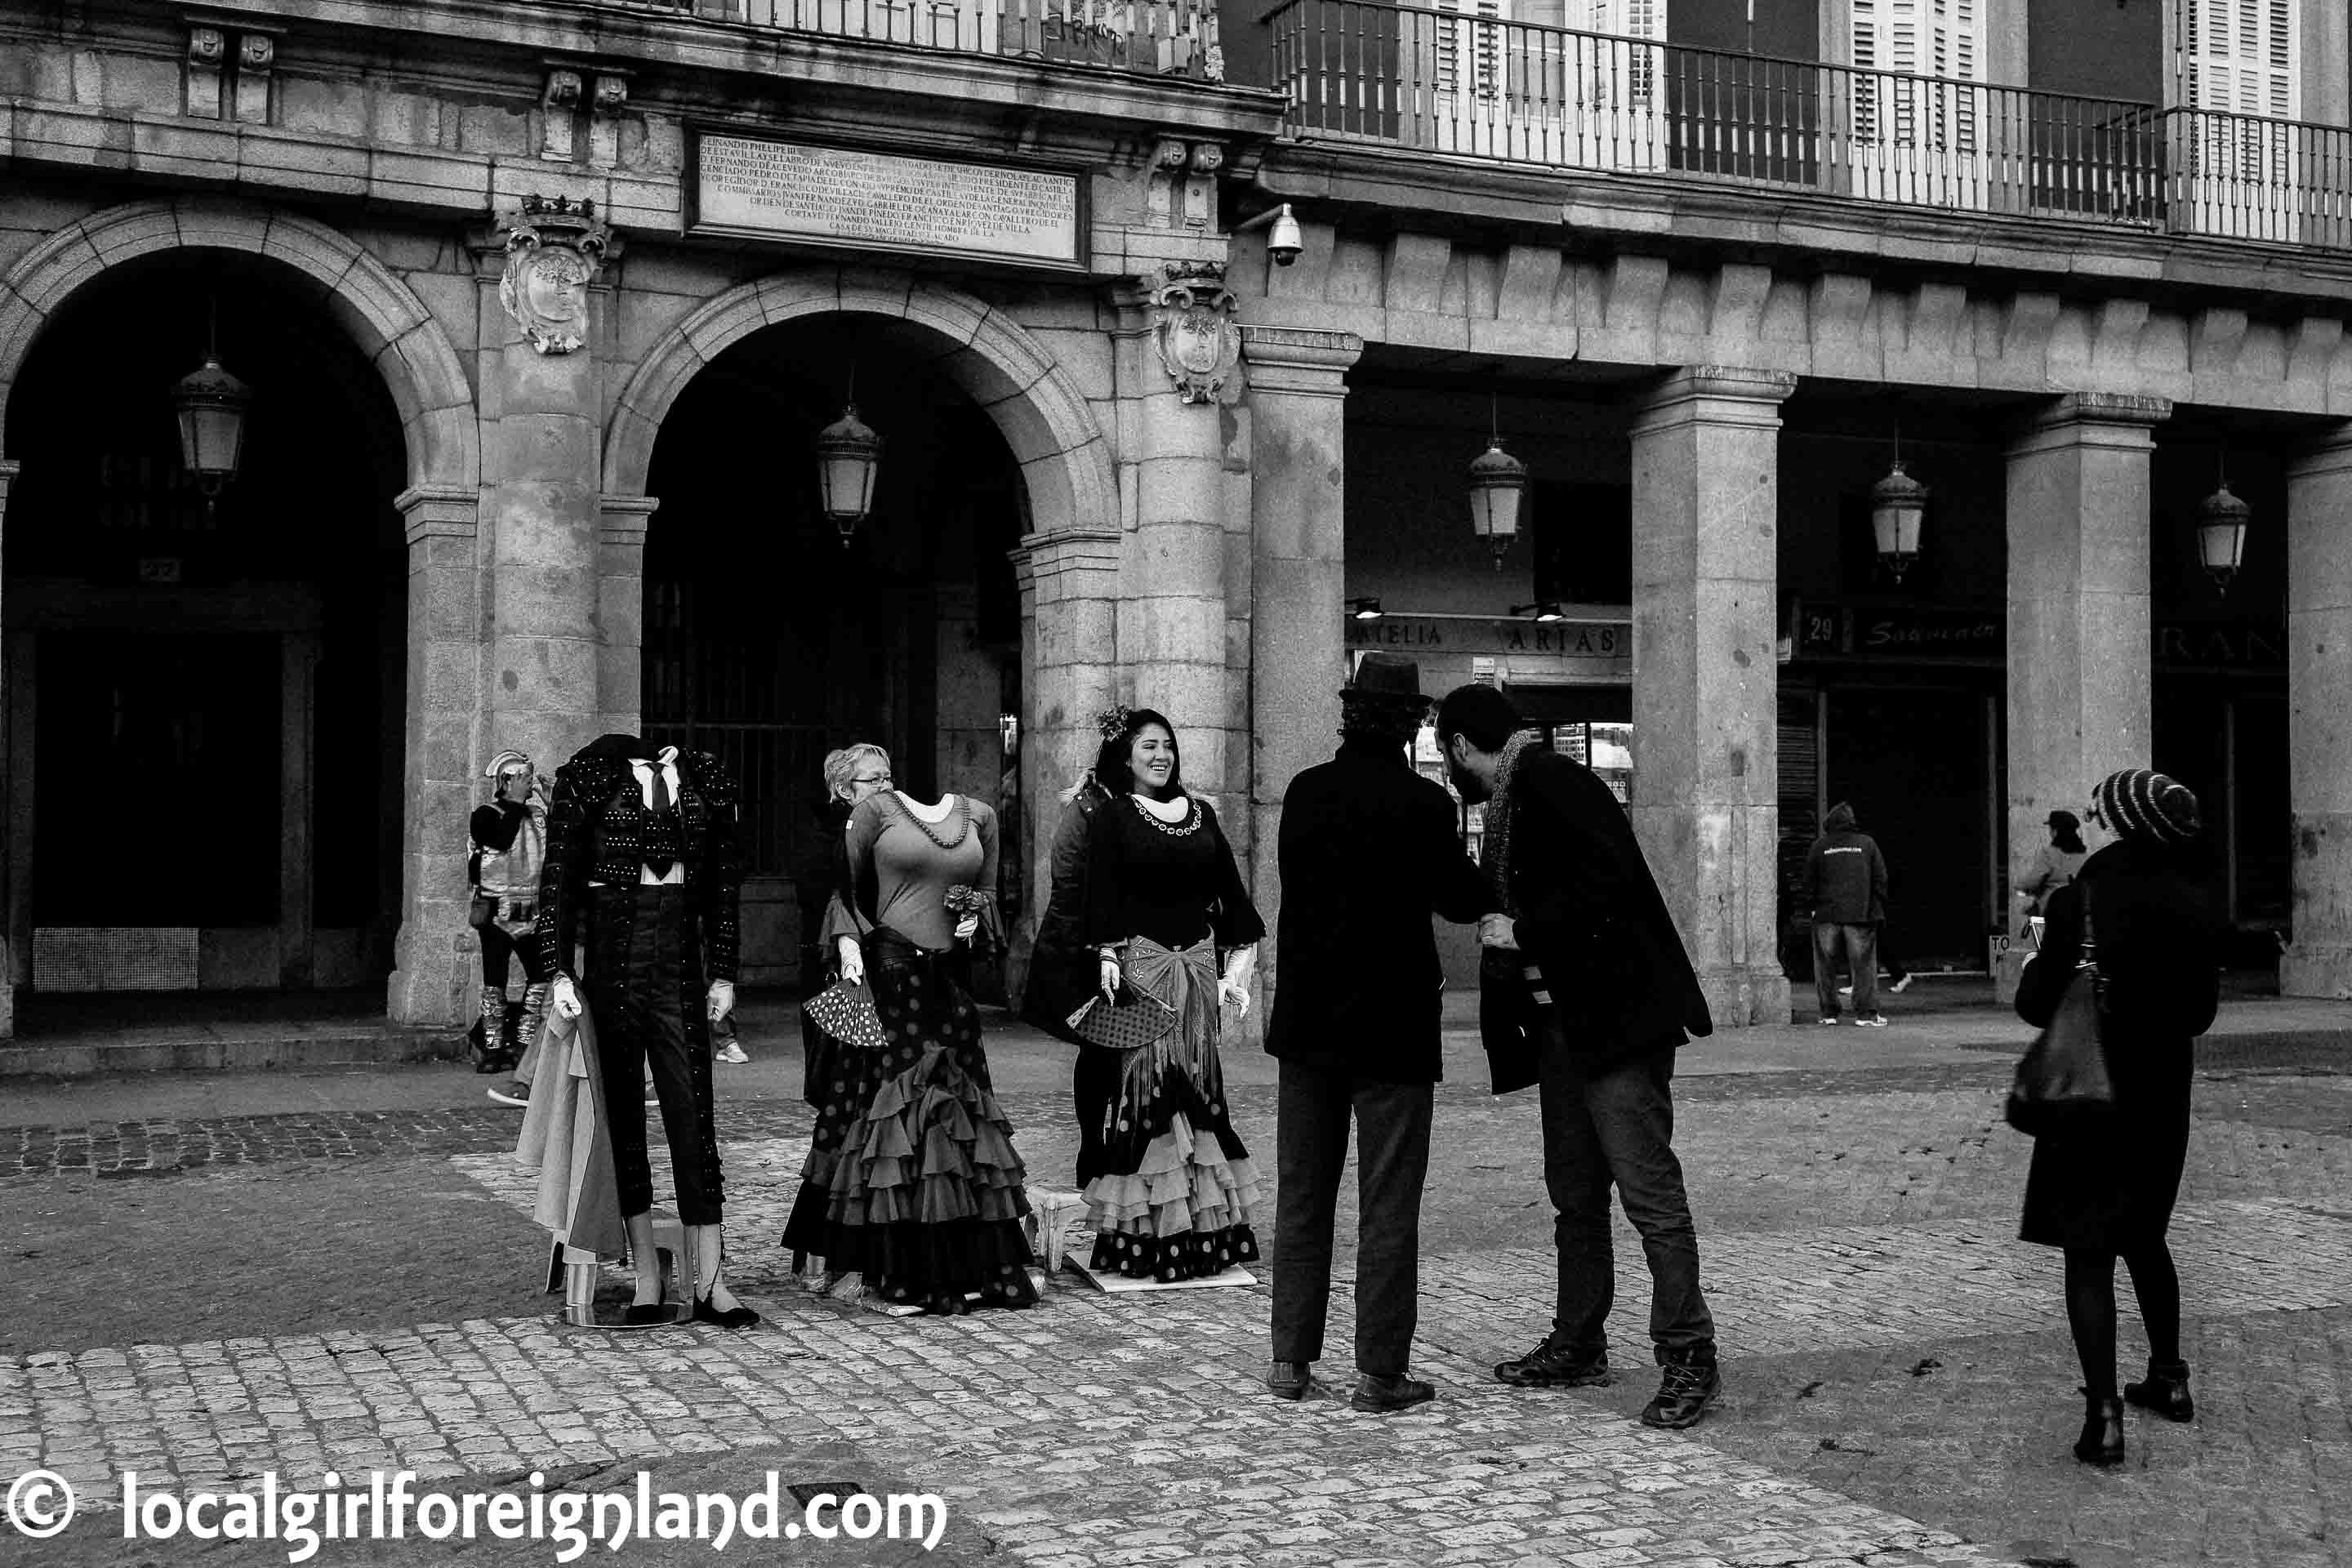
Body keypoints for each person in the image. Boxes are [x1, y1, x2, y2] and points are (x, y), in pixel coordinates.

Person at [1437, 684, 1722, 1431]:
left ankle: (1690, 1355)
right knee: (1574, 1193)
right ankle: (1578, 1341)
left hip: (1617, 1025)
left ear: (1463, 747)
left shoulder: (1553, 781)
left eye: (1449, 760)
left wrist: (1523, 930)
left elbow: (1610, 881)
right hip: (1564, 1028)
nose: (1453, 773)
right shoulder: (1514, 796)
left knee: (1648, 1194)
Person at [1265, 655, 1502, 1414]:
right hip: (1393, 1027)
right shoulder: (1423, 804)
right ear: (1408, 728)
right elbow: (1463, 901)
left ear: (1347, 717)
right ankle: (1379, 1374)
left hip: (1308, 1026)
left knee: (1304, 1195)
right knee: (1388, 1202)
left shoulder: (1304, 793)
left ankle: (1290, 1362)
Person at [2015, 768, 2221, 1468]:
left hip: (2090, 1093)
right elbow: (2199, 1014)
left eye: (2103, 811)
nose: (2095, 820)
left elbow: (2036, 1004)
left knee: (2090, 1250)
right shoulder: (2198, 902)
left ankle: (2104, 1418)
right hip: (2162, 1093)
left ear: (2123, 821)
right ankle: (2170, 1379)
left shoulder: (2081, 901)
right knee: (2147, 1236)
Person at [778, 769, 1037, 1313]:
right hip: (891, 973)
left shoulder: (980, 816)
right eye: (869, 777)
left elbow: (989, 894)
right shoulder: (873, 816)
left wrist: (977, 916)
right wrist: (849, 949)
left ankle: (964, 1254)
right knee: (888, 1109)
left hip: (951, 981)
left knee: (958, 1110)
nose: (881, 783)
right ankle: (887, 1258)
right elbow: (843, 887)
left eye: (885, 775)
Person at [535, 733, 758, 1329]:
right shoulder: (586, 778)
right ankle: (648, 1279)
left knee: (695, 1117)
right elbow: (555, 882)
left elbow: (723, 888)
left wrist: (725, 976)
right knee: (625, 1125)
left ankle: (712, 1283)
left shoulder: (702, 779)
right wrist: (556, 972)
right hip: (612, 960)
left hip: (680, 960)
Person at [1076, 706, 1266, 1282]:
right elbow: (1099, 894)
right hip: (1144, 971)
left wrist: (1238, 972)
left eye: (1167, 746)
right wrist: (1107, 955)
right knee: (1144, 1093)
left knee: (1201, 1091)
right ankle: (1142, 1235)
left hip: (1199, 974)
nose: (1161, 756)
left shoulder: (1202, 815)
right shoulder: (1113, 817)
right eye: (1148, 747)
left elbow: (1234, 901)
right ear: (1126, 757)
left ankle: (1206, 1233)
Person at [470, 750, 552, 1104]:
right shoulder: (486, 815)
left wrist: (552, 803)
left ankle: (523, 1043)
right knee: (495, 980)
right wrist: (517, 804)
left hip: (531, 910)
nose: (527, 782)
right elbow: (501, 840)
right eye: (521, 777)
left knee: (539, 976)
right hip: (497, 911)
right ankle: (491, 1049)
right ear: (506, 781)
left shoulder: (536, 816)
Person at [1804, 800, 1890, 1027]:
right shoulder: (1867, 844)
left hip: (1826, 915)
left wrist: (1812, 907)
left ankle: (1828, 1013)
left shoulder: (1819, 846)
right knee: (1863, 966)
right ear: (1852, 822)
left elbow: (1808, 882)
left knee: (1825, 966)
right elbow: (1881, 880)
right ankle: (1866, 1014)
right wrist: (1875, 906)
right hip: (1861, 916)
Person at [2016, 808, 2090, 939]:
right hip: (2080, 911)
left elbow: (2033, 882)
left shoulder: (2049, 854)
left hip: (2054, 912)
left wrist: (2020, 888)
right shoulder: (2084, 855)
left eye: (2051, 829)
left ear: (2055, 832)